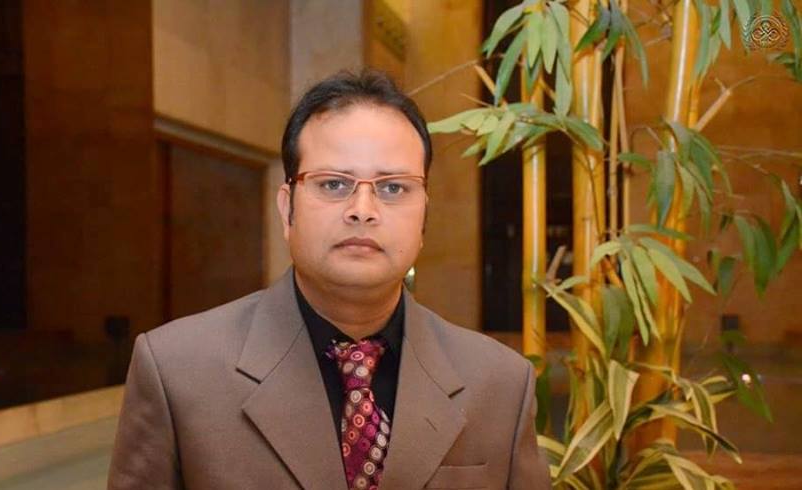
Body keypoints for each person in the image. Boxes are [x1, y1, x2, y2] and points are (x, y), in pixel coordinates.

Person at [107, 70, 550, 490]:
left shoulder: (500, 383)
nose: (363, 210)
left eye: (393, 187)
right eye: (334, 184)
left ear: (424, 216)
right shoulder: (177, 372)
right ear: (288, 208)